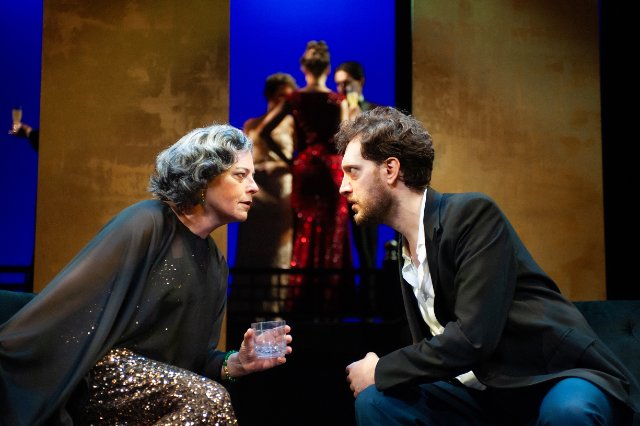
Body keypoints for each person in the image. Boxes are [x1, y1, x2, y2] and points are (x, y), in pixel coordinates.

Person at [336, 106, 639, 425]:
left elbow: (473, 338)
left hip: (550, 378)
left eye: (353, 171)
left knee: (567, 413)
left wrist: (380, 369)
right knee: (377, 402)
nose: (343, 187)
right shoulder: (405, 250)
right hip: (482, 391)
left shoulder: (470, 214)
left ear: (390, 169)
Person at [0, 124, 293, 425]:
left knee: (209, 397)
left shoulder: (216, 263)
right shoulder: (147, 223)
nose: (254, 187)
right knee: (209, 398)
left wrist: (237, 363)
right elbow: (71, 307)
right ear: (203, 177)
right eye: (240, 175)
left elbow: (196, 361)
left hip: (158, 387)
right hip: (99, 373)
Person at [258, 40, 352, 312]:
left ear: (303, 68)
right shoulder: (338, 101)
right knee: (333, 232)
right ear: (328, 68)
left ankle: (302, 301)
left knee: (304, 230)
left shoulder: (294, 99)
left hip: (306, 168)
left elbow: (264, 131)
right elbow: (346, 138)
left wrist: (292, 159)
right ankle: (331, 302)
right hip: (332, 169)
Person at [236, 72, 298, 313]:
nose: (284, 102)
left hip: (281, 187)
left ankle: (277, 305)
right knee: (254, 245)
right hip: (257, 189)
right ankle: (248, 305)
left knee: (279, 248)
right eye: (280, 96)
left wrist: (281, 164)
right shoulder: (252, 124)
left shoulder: (293, 126)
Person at [334, 61, 379, 304]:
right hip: (336, 183)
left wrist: (354, 110)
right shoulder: (334, 109)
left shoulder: (375, 110)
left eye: (347, 83)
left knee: (366, 241)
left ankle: (370, 297)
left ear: (360, 81)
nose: (342, 89)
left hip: (365, 183)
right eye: (338, 84)